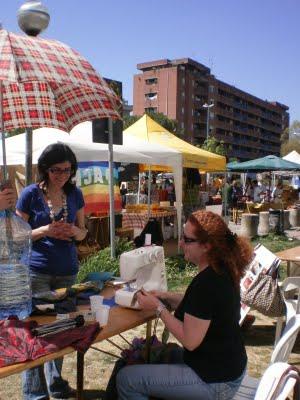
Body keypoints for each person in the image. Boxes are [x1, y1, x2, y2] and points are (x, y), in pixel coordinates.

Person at [116, 210, 253, 400]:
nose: (180, 243)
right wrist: (166, 296)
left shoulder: (207, 283)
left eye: (187, 240)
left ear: (206, 246)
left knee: (126, 379)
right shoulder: (222, 270)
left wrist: (158, 308)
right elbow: (203, 309)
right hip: (226, 367)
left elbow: (190, 340)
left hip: (216, 382)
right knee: (153, 356)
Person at [16, 143, 87, 400]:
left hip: (67, 271)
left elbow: (83, 232)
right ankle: (35, 394)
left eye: (67, 170)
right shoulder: (30, 194)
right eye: (56, 170)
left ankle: (56, 383)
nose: (62, 175)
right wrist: (45, 230)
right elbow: (16, 236)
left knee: (63, 330)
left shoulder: (75, 194)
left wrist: (74, 232)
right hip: (37, 273)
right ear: (45, 169)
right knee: (36, 332)